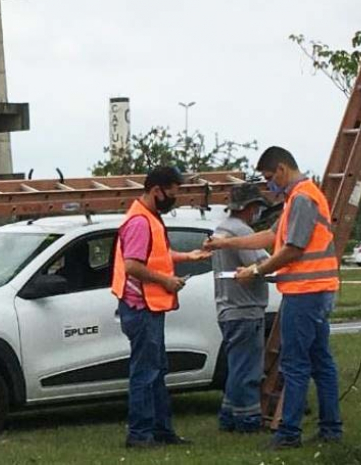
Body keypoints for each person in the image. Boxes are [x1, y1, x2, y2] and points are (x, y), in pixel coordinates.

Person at [204, 147, 342, 449]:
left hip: (305, 293)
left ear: (281, 169)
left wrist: (255, 270)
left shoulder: (303, 198)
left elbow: (292, 248)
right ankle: (331, 429)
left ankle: (289, 434)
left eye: (269, 178)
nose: (269, 186)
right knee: (321, 361)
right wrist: (225, 244)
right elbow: (270, 236)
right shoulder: (298, 198)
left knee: (295, 365)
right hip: (314, 291)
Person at [110, 165, 210, 449]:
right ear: (157, 191)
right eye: (173, 193)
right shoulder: (140, 222)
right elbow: (132, 265)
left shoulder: (148, 217)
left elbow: (156, 255)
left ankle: (161, 431)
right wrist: (167, 281)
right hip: (141, 308)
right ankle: (140, 435)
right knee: (146, 372)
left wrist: (187, 256)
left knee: (155, 370)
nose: (174, 199)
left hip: (149, 308)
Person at [209, 183, 271, 433]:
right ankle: (247, 420)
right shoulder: (241, 233)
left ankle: (228, 415)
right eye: (257, 207)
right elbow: (262, 263)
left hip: (228, 308)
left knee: (237, 365)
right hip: (245, 309)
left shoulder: (221, 230)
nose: (258, 212)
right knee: (247, 369)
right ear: (248, 207)